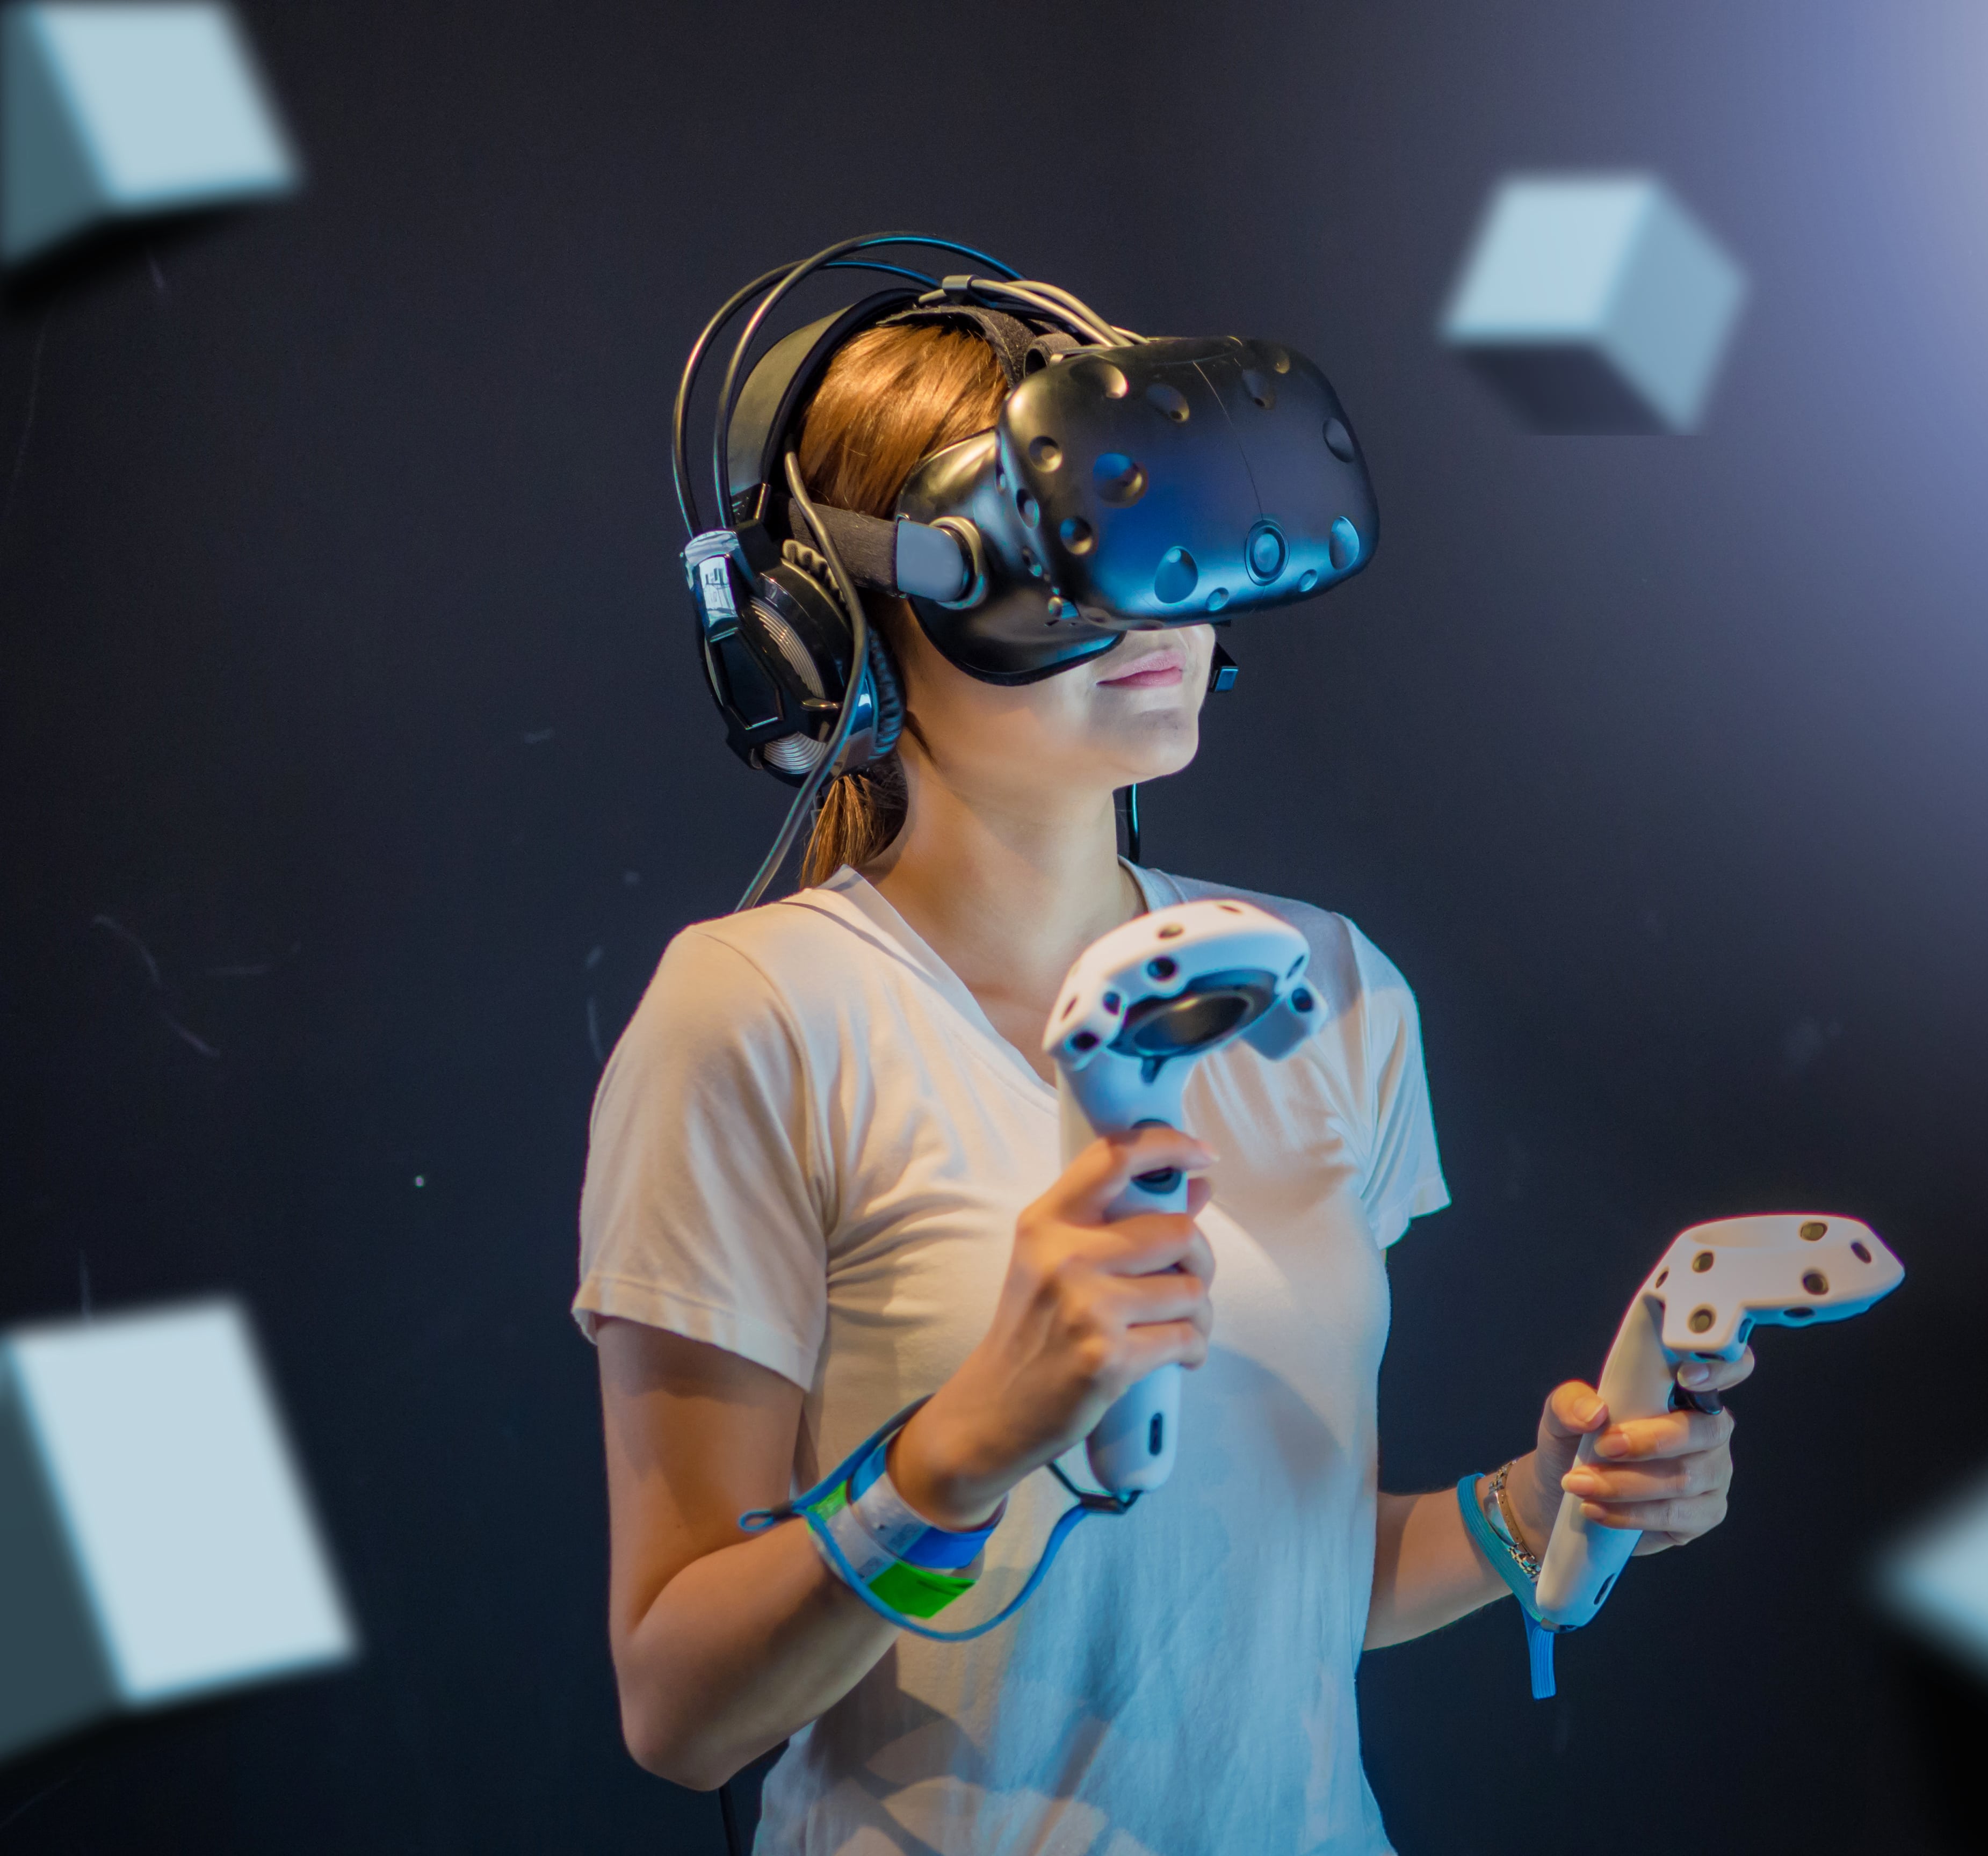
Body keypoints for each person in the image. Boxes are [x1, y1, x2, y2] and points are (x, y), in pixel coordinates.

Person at [576, 316, 1752, 1854]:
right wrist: (963, 1448)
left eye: (1154, 522)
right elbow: (681, 1707)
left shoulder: (1329, 993)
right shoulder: (756, 1017)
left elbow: (1269, 1595)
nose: (1145, 603)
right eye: (1044, 544)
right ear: (838, 616)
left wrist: (1531, 1511)